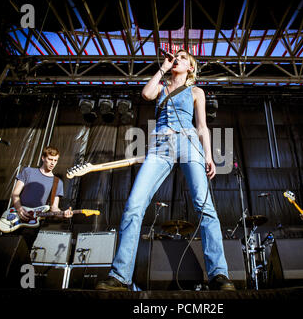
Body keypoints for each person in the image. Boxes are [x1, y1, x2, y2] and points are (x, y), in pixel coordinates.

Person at [95, 49, 235, 291]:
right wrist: (163, 67)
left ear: (191, 68)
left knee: (205, 206)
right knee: (134, 205)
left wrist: (209, 156)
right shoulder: (161, 87)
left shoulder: (196, 91)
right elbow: (146, 94)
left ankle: (219, 275)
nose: (177, 59)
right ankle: (119, 276)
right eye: (176, 57)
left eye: (182, 58)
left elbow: (202, 125)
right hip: (161, 146)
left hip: (190, 143)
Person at [11, 146, 73, 248]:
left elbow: (54, 208)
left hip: (33, 222)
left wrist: (63, 214)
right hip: (16, 217)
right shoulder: (28, 171)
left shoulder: (57, 182)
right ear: (43, 158)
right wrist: (19, 208)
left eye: (55, 160)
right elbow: (15, 194)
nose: (53, 163)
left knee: (22, 250)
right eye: (50, 159)